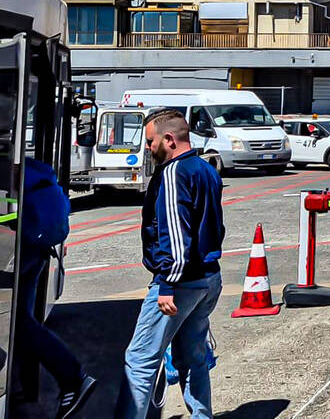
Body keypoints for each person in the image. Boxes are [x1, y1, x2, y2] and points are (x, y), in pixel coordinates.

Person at [115, 109, 225, 419]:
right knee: (193, 358)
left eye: (150, 141)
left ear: (169, 139)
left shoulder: (173, 173)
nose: (147, 148)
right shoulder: (206, 170)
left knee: (139, 361)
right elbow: (215, 227)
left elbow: (177, 236)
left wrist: (166, 284)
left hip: (179, 282)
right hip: (208, 277)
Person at [16, 158, 96, 419]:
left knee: (20, 326)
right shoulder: (32, 168)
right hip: (35, 250)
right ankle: (59, 379)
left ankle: (72, 376)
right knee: (22, 323)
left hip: (20, 253)